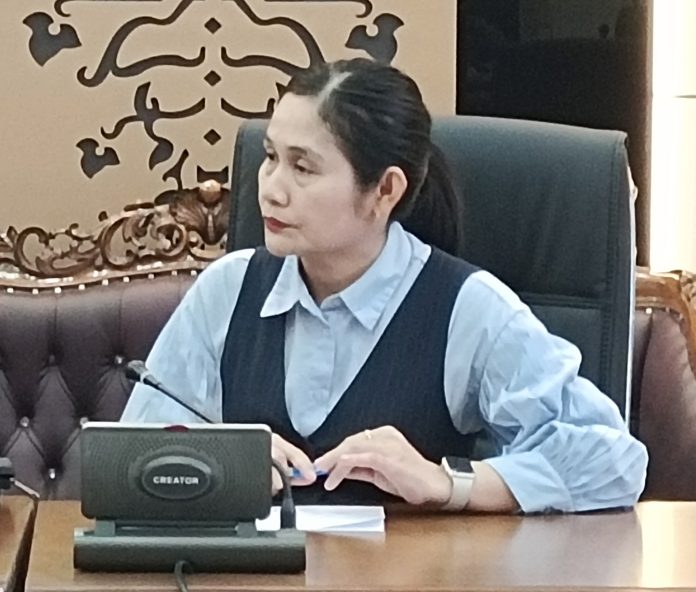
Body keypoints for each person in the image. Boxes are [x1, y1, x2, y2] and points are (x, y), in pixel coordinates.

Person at [121, 58, 648, 514]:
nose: (271, 190)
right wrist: (220, 460)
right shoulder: (228, 289)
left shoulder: (466, 309)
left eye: (302, 167)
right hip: (251, 579)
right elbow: (130, 458)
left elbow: (611, 459)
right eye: (271, 157)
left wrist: (447, 483)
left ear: (384, 190)